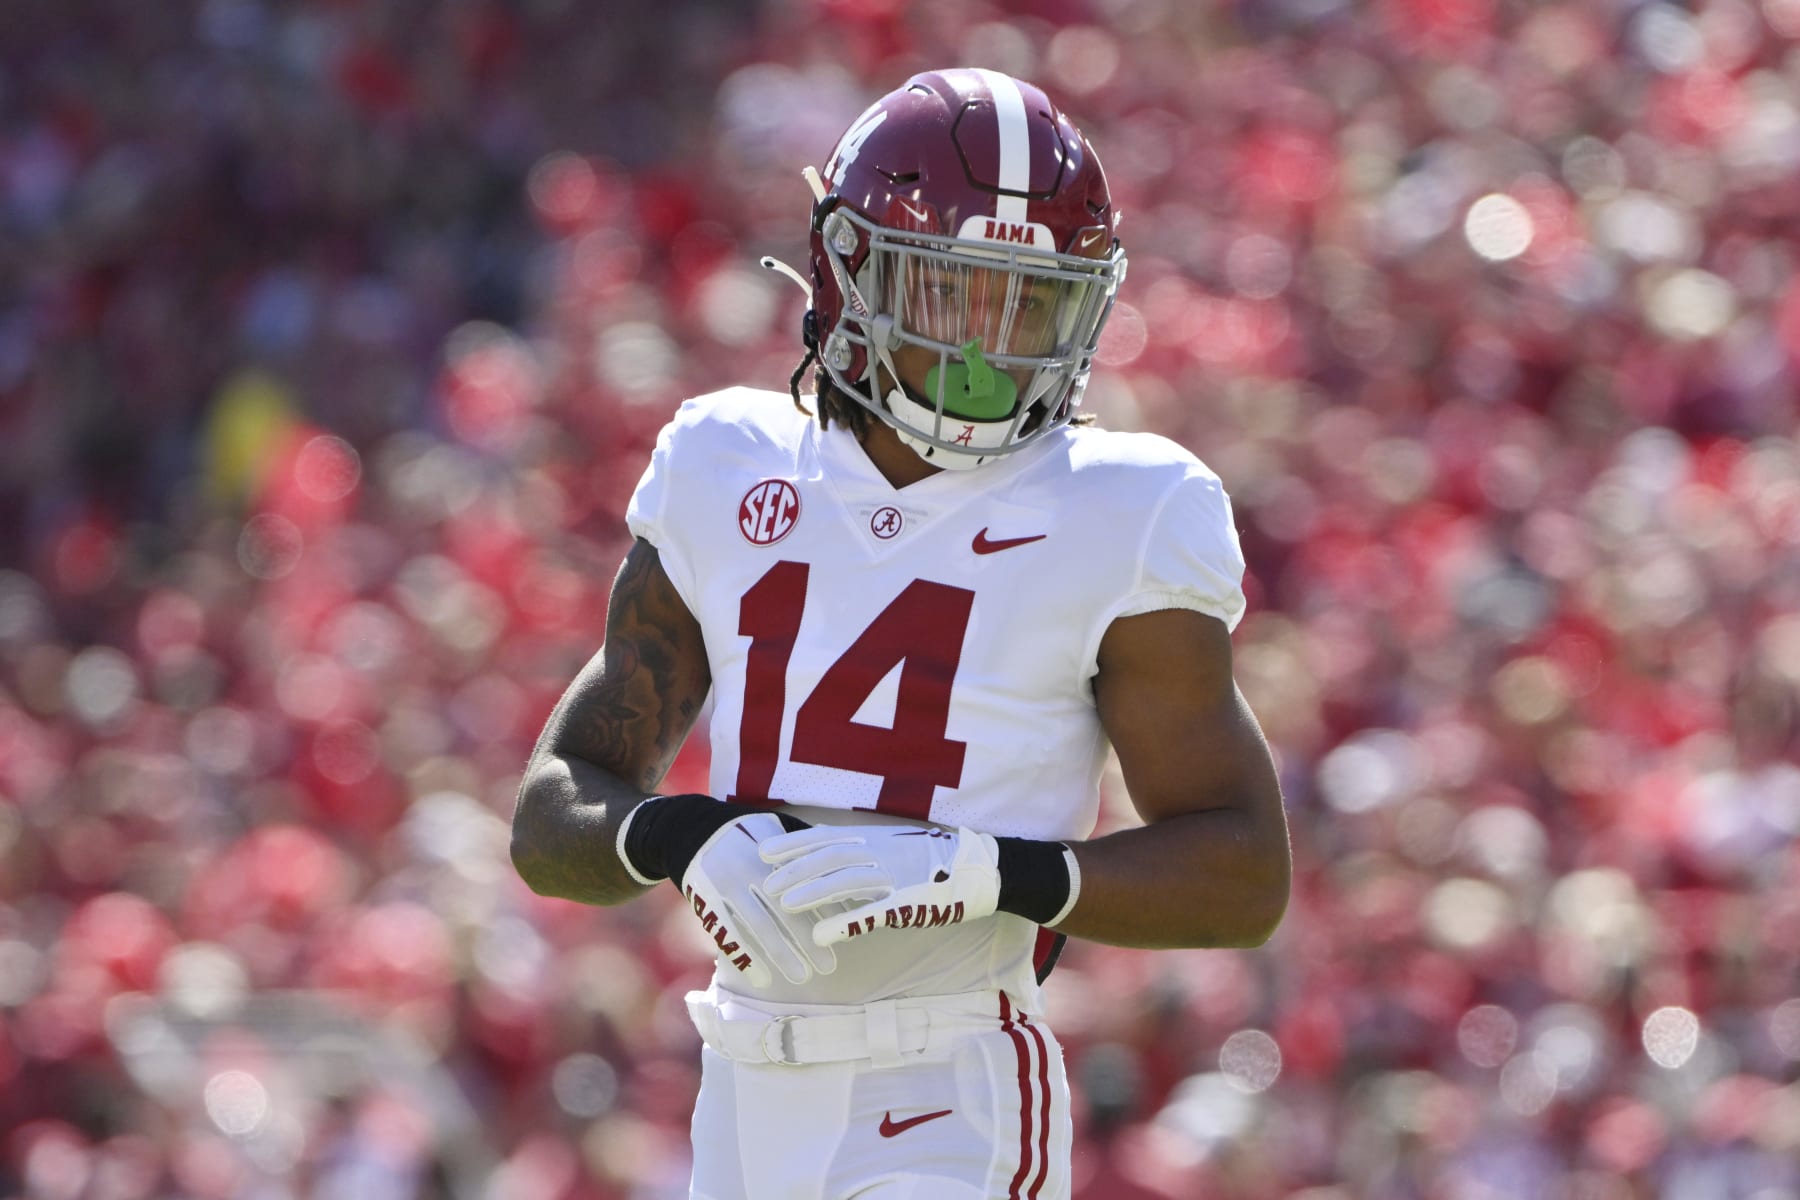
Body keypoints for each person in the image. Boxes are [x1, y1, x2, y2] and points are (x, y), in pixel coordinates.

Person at [511, 67, 1291, 1200]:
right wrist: (685, 839)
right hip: (740, 1089)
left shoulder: (1126, 508)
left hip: (949, 1085)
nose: (994, 348)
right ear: (850, 276)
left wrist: (987, 874)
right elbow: (552, 813)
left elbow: (1241, 872)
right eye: (953, 292)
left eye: (1031, 302)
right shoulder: (727, 461)